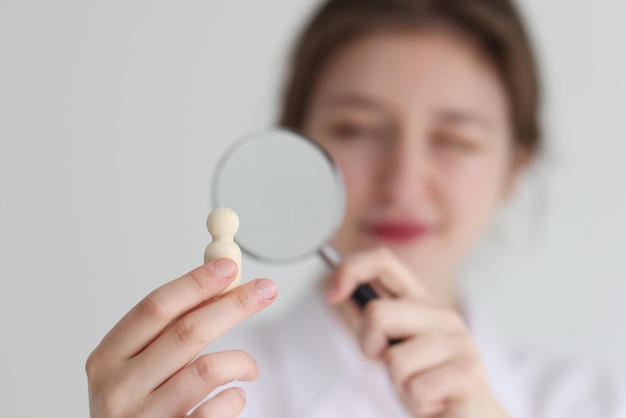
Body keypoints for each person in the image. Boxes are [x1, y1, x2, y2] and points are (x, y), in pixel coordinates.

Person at [86, 0, 625, 417]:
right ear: (298, 152)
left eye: (456, 139)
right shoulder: (193, 398)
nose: (403, 181)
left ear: (514, 168)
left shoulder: (595, 402)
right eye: (358, 131)